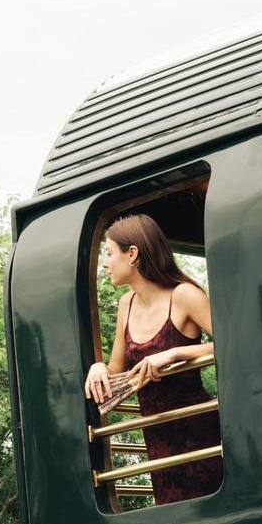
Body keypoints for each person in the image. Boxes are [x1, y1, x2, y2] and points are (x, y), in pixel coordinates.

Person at [85, 213, 223, 505]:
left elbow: (236, 344)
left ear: (132, 254)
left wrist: (175, 353)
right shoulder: (126, 304)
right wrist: (98, 367)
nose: (105, 263)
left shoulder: (184, 295)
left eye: (109, 253)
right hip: (159, 440)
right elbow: (116, 370)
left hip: (201, 434)